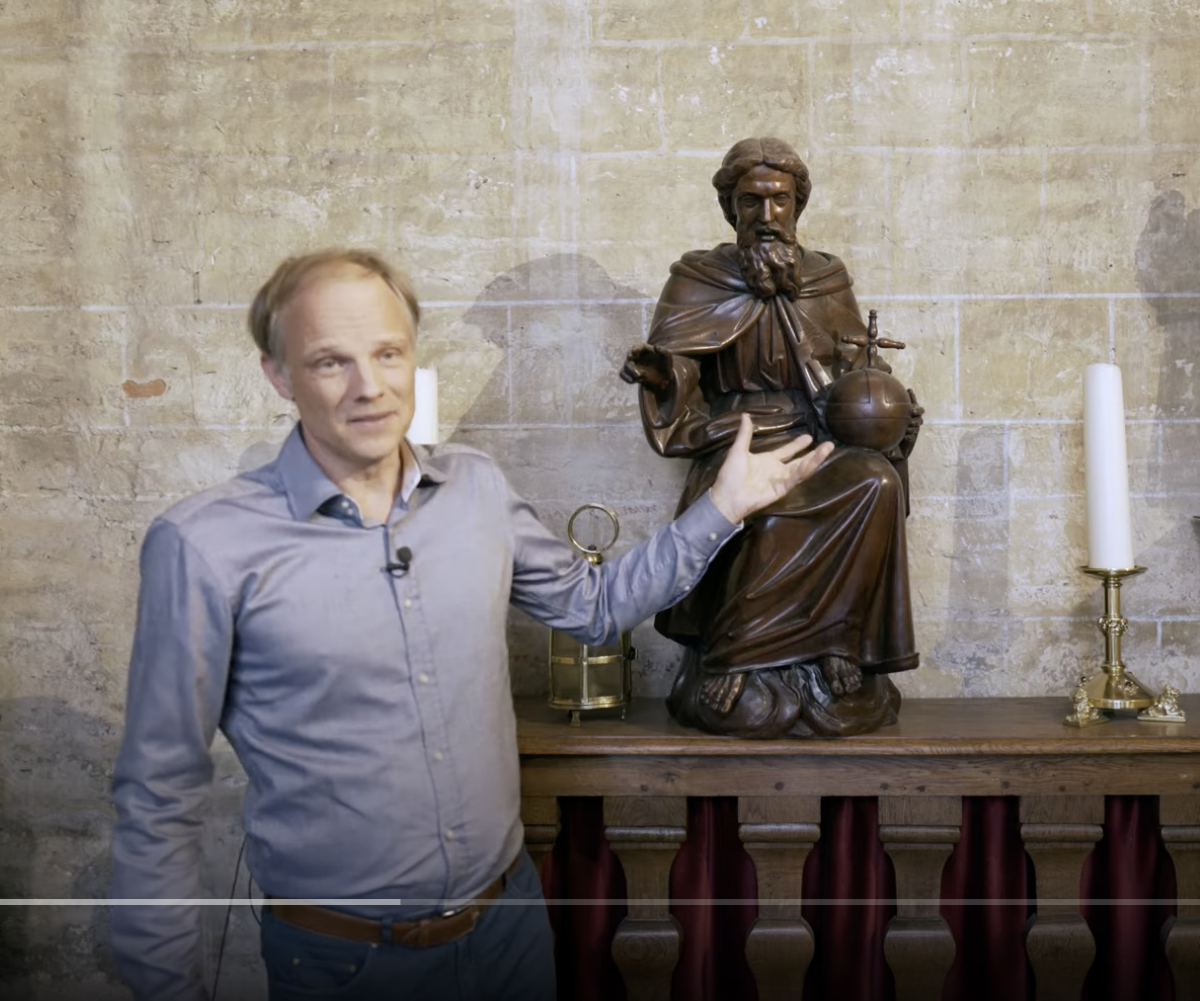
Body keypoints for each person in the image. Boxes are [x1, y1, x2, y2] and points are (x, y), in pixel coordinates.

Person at [109, 248, 834, 1001]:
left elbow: (593, 609)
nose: (369, 386)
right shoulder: (204, 545)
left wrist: (725, 505)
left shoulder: (477, 489)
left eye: (387, 353)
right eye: (331, 362)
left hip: (509, 933)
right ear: (278, 375)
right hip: (345, 963)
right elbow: (158, 794)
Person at [620, 137, 922, 739]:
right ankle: (734, 653)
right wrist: (660, 371)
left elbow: (857, 363)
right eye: (750, 202)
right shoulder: (698, 278)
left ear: (797, 206)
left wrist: (888, 407)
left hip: (819, 438)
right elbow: (678, 366)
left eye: (779, 202)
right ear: (730, 209)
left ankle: (838, 639)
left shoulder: (825, 278)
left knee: (876, 483)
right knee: (762, 510)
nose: (766, 217)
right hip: (738, 438)